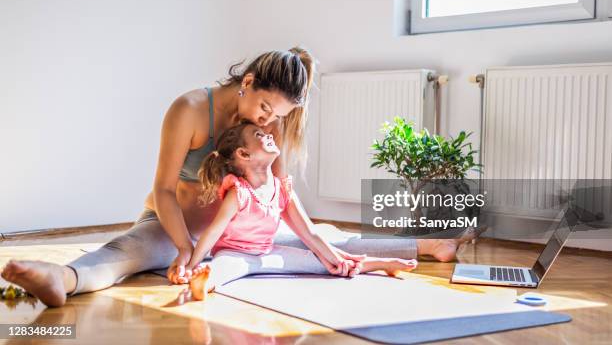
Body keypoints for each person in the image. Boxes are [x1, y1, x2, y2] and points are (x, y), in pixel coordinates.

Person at [1, 47, 471, 307]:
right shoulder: (189, 109)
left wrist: (312, 240)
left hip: (240, 232)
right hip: (176, 228)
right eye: (265, 107)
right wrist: (186, 247)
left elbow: (282, 196)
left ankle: (426, 246)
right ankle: (61, 277)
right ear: (246, 82)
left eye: (278, 116)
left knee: (323, 237)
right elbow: (164, 189)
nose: (269, 122)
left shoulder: (272, 125)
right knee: (127, 253)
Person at [185, 122, 418, 300]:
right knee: (223, 269)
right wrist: (191, 264)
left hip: (268, 253)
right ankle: (203, 282)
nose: (267, 135)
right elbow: (213, 232)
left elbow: (310, 234)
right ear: (244, 154)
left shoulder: (282, 189)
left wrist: (336, 258)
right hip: (234, 253)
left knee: (321, 262)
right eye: (258, 135)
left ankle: (377, 264)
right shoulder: (239, 192)